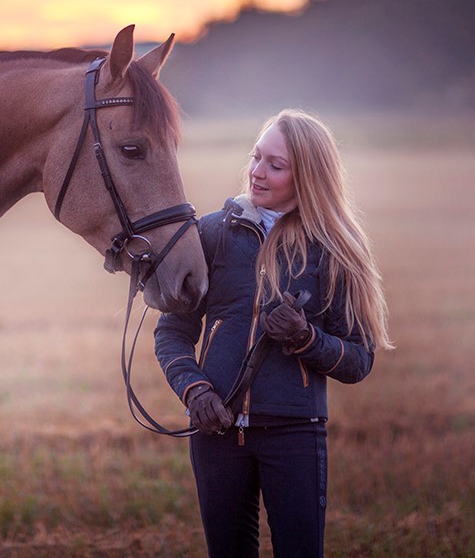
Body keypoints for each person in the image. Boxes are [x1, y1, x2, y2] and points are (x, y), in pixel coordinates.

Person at [154, 109, 392, 557]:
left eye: (275, 165)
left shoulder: (335, 249)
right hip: (216, 433)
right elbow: (171, 333)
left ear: (308, 177)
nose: (257, 173)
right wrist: (195, 390)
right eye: (256, 157)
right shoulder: (210, 234)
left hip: (295, 435)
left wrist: (307, 339)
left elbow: (360, 360)